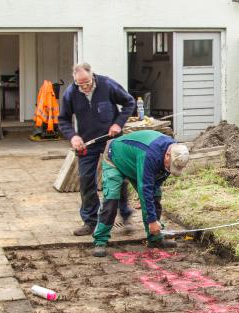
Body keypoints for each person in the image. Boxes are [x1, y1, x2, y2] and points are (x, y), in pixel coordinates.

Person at [58, 62, 137, 236]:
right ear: (75, 80)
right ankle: (91, 221)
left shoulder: (107, 85)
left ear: (92, 75)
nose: (84, 87)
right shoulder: (71, 92)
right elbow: (63, 120)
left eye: (87, 83)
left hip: (112, 140)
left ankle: (125, 216)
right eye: (80, 84)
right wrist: (73, 136)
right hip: (87, 142)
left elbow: (129, 103)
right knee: (86, 180)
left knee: (119, 178)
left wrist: (118, 123)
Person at [91, 130, 190, 257]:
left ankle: (154, 239)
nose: (171, 169)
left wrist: (151, 210)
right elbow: (145, 190)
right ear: (167, 155)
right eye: (170, 165)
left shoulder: (175, 151)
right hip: (115, 158)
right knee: (111, 200)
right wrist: (152, 220)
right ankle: (100, 241)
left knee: (155, 196)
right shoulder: (149, 155)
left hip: (135, 162)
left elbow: (156, 183)